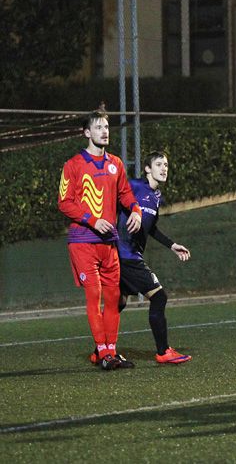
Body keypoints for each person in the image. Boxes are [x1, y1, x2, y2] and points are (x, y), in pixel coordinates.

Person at [57, 109, 142, 370]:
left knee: (114, 297)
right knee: (94, 295)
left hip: (109, 242)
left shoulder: (115, 163)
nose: (104, 132)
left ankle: (110, 352)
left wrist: (136, 210)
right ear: (87, 133)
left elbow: (125, 194)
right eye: (98, 127)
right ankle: (104, 353)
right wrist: (92, 220)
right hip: (83, 242)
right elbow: (64, 202)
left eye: (106, 127)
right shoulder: (73, 165)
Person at [115, 151, 192, 365]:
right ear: (147, 169)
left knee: (118, 302)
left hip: (129, 255)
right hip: (125, 255)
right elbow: (112, 204)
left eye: (166, 164)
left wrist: (172, 245)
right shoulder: (134, 186)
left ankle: (101, 351)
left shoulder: (156, 197)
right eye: (158, 164)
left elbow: (152, 228)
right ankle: (163, 351)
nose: (164, 168)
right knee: (159, 297)